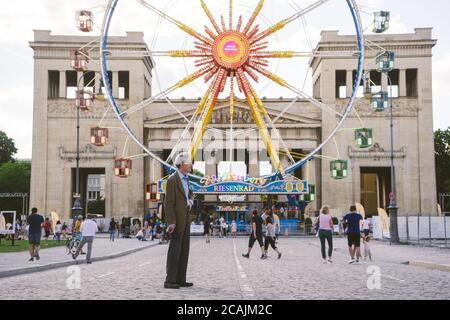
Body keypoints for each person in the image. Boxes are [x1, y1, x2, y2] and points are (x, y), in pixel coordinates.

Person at [164, 152, 194, 289]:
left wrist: (191, 201)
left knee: (184, 250)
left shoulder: (186, 179)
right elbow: (168, 203)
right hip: (176, 221)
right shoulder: (172, 180)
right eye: (189, 163)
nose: (191, 165)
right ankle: (170, 280)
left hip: (186, 218)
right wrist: (171, 221)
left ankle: (181, 279)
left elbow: (189, 194)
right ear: (182, 165)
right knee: (175, 251)